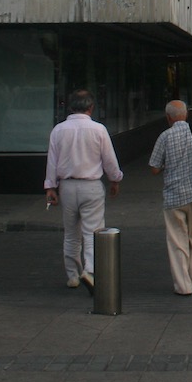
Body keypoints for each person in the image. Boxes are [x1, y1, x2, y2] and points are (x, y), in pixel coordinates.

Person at [44, 89, 123, 292]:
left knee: (71, 233)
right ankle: (90, 270)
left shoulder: (58, 130)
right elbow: (109, 160)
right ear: (91, 107)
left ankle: (72, 275)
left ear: (70, 107)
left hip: (67, 186)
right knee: (92, 231)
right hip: (92, 185)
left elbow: (52, 161)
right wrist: (115, 179)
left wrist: (50, 186)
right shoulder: (98, 129)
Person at [149, 99, 192, 296]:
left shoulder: (164, 136)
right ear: (186, 115)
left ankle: (183, 286)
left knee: (177, 240)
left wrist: (168, 165)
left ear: (168, 117)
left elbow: (154, 168)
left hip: (173, 197)